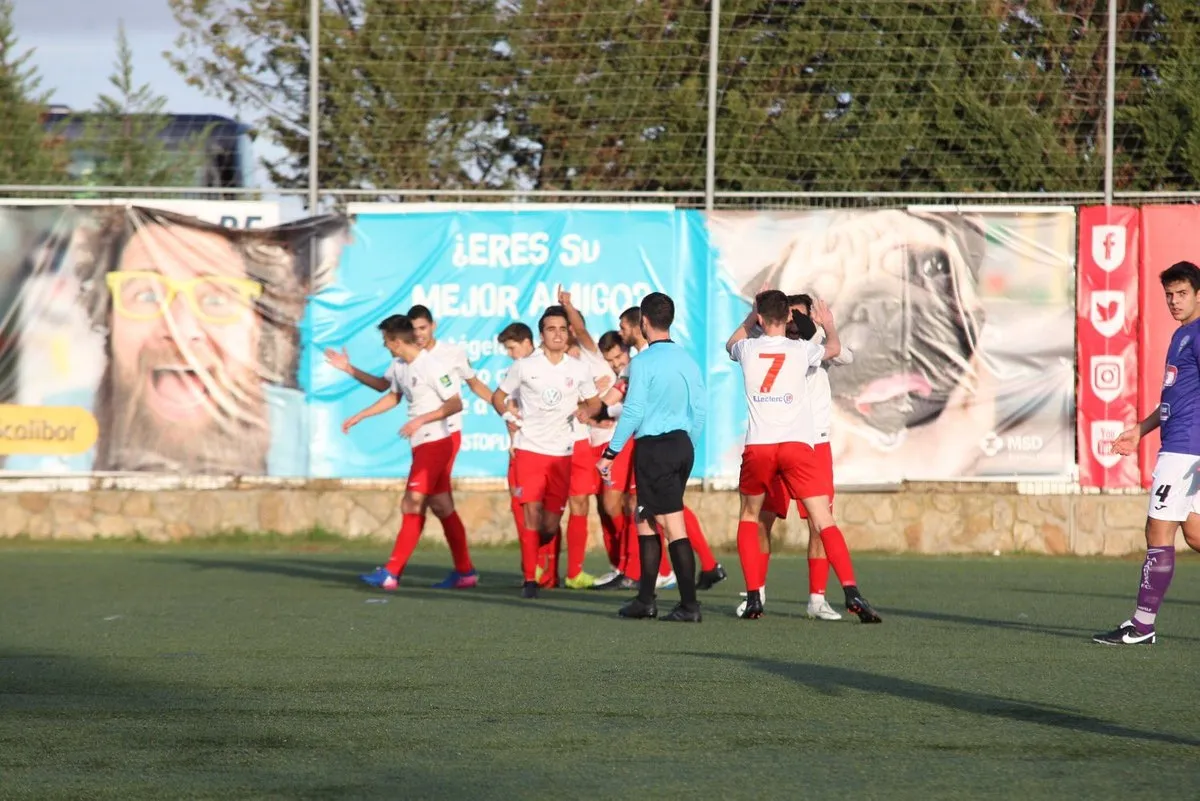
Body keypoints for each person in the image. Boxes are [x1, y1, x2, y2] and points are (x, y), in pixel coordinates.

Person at [727, 290, 882, 623]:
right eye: (791, 316)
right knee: (808, 520)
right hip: (797, 447)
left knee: (751, 516)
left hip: (769, 446)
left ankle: (772, 596)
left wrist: (753, 317)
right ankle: (849, 590)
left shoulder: (750, 348)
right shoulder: (802, 351)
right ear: (785, 318)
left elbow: (732, 343)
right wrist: (830, 326)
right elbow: (836, 350)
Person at [324, 304, 487, 589]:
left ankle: (391, 571)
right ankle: (465, 572)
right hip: (421, 443)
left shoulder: (433, 366)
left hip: (437, 442)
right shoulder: (400, 366)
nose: (385, 346)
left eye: (386, 341)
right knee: (441, 504)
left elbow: (455, 403)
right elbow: (389, 394)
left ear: (397, 341)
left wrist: (421, 419)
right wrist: (359, 410)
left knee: (411, 501)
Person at [1094, 261, 1200, 646]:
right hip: (1181, 447)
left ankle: (1141, 626)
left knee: (1158, 530)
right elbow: (1173, 400)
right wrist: (1138, 431)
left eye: (1182, 293)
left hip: (1186, 452)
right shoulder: (1181, 335)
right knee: (1195, 533)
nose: (1174, 301)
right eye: (1169, 295)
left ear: (1199, 294)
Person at [597, 292, 707, 622]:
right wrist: (688, 445)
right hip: (680, 446)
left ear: (644, 322)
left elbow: (632, 411)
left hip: (655, 448)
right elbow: (700, 409)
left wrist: (610, 453)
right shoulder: (687, 360)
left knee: (672, 525)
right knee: (645, 519)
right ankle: (646, 599)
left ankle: (689, 605)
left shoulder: (642, 363)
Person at [749, 293, 858, 621]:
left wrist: (824, 327)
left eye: (801, 317)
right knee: (763, 519)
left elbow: (846, 356)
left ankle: (817, 598)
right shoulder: (770, 345)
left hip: (816, 444)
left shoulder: (814, 345)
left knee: (819, 522)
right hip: (780, 441)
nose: (795, 323)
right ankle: (757, 593)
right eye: (790, 317)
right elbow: (746, 341)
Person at [493, 306, 602, 599]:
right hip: (529, 449)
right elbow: (498, 396)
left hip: (562, 453)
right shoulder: (525, 366)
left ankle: (539, 554)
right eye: (551, 329)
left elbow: (595, 403)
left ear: (568, 334)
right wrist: (509, 417)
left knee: (550, 525)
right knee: (531, 512)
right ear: (541, 335)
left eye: (563, 329)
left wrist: (586, 409)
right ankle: (530, 578)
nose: (558, 334)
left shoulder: (578, 368)